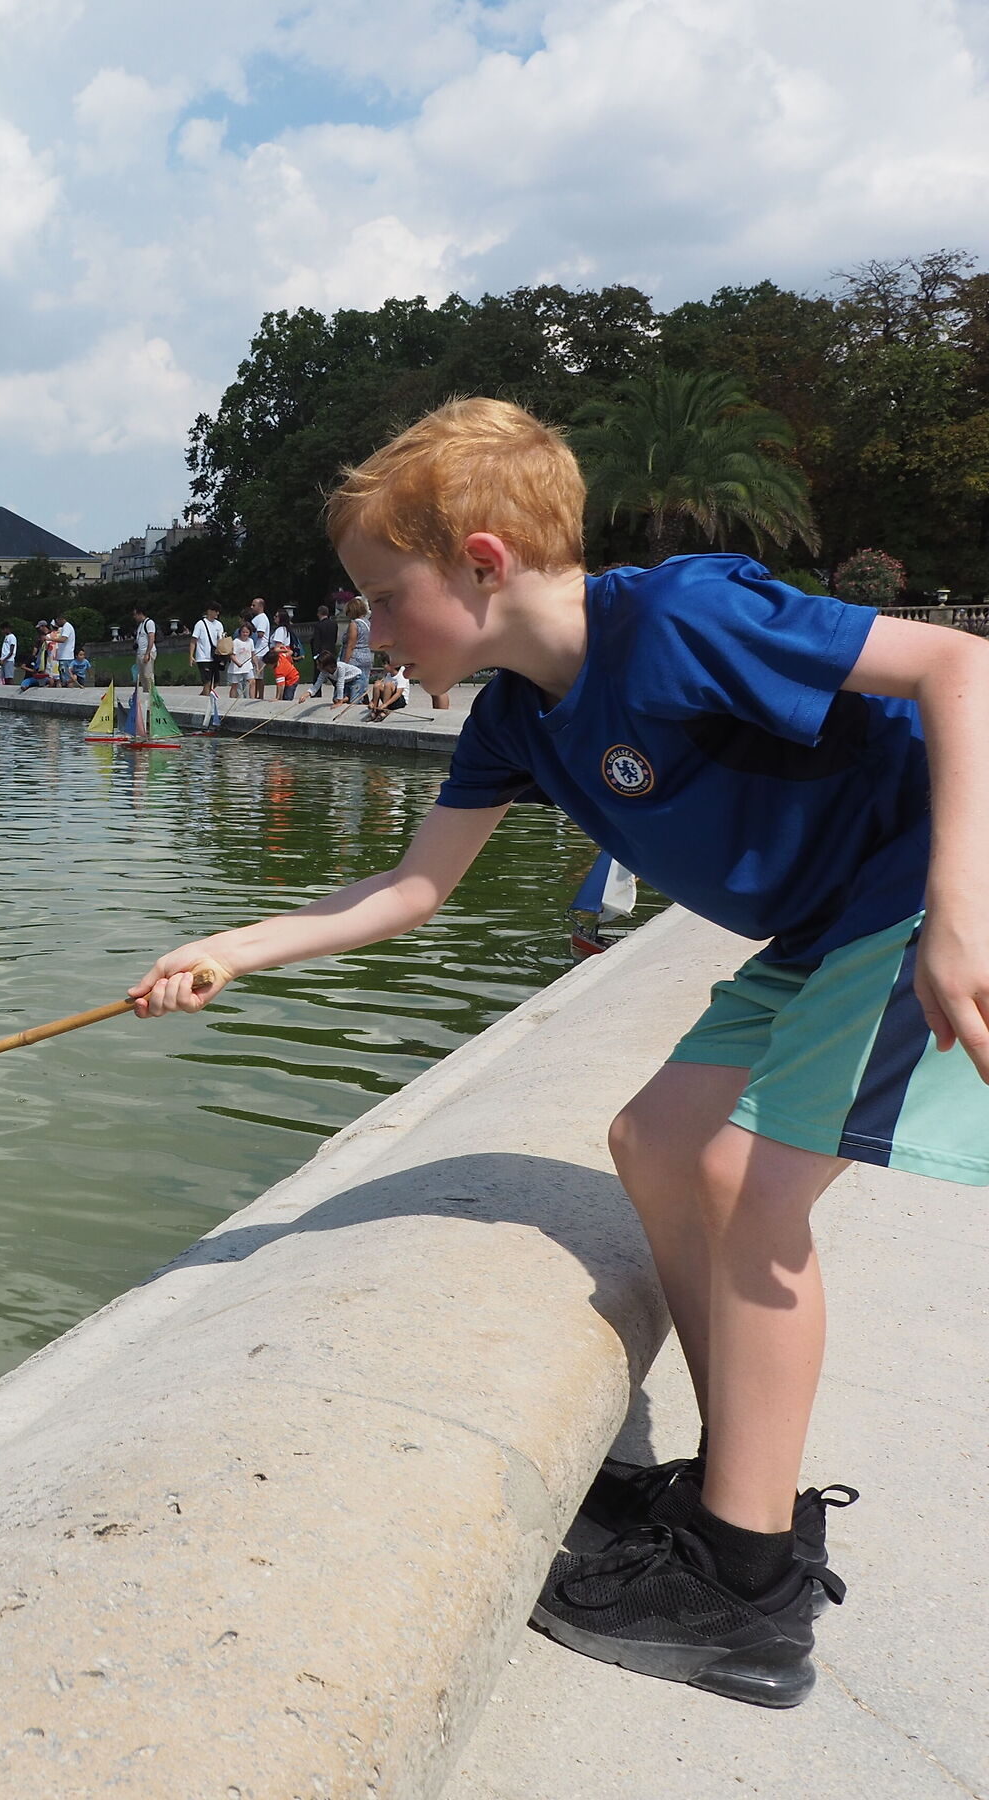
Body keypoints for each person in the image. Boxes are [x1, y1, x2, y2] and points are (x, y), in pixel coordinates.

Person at [131, 394, 988, 1712]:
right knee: (655, 1143)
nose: (365, 629)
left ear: (481, 564)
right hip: (825, 925)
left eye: (377, 596)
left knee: (755, 1188)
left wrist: (964, 917)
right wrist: (232, 950)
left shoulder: (680, 618)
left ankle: (745, 1589)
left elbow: (959, 669)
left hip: (921, 891)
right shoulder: (518, 721)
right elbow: (416, 887)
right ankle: (729, 1490)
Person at [338, 593, 374, 700]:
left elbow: (351, 645)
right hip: (366, 656)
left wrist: (344, 663)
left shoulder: (354, 624)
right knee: (363, 684)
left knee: (352, 685)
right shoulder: (368, 623)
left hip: (355, 658)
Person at [192, 605, 225, 694]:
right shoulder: (200, 624)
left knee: (216, 681)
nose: (217, 613)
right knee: (207, 681)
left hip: (214, 656)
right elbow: (193, 640)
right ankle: (206, 698)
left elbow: (221, 639)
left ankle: (203, 695)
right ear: (209, 611)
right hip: (203, 656)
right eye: (215, 611)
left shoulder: (219, 624)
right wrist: (191, 656)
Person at [225, 621, 256, 698]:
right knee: (235, 685)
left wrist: (256, 664)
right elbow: (232, 655)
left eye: (247, 632)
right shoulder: (235, 642)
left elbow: (253, 654)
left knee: (252, 682)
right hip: (237, 667)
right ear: (240, 632)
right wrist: (237, 663)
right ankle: (231, 699)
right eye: (243, 632)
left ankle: (252, 699)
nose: (245, 634)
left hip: (248, 666)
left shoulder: (251, 641)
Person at [132, 605, 157, 696]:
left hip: (146, 653)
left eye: (135, 614)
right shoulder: (141, 625)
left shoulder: (149, 623)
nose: (134, 617)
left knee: (148, 675)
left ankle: (152, 694)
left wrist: (147, 653)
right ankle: (146, 693)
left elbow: (151, 638)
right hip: (140, 653)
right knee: (142, 676)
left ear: (140, 614)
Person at [53, 614, 78, 687]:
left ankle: (70, 684)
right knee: (64, 676)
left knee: (66, 678)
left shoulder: (67, 627)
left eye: (57, 621)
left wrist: (51, 639)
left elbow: (63, 639)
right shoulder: (65, 627)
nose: (57, 623)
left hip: (65, 656)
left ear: (61, 619)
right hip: (64, 656)